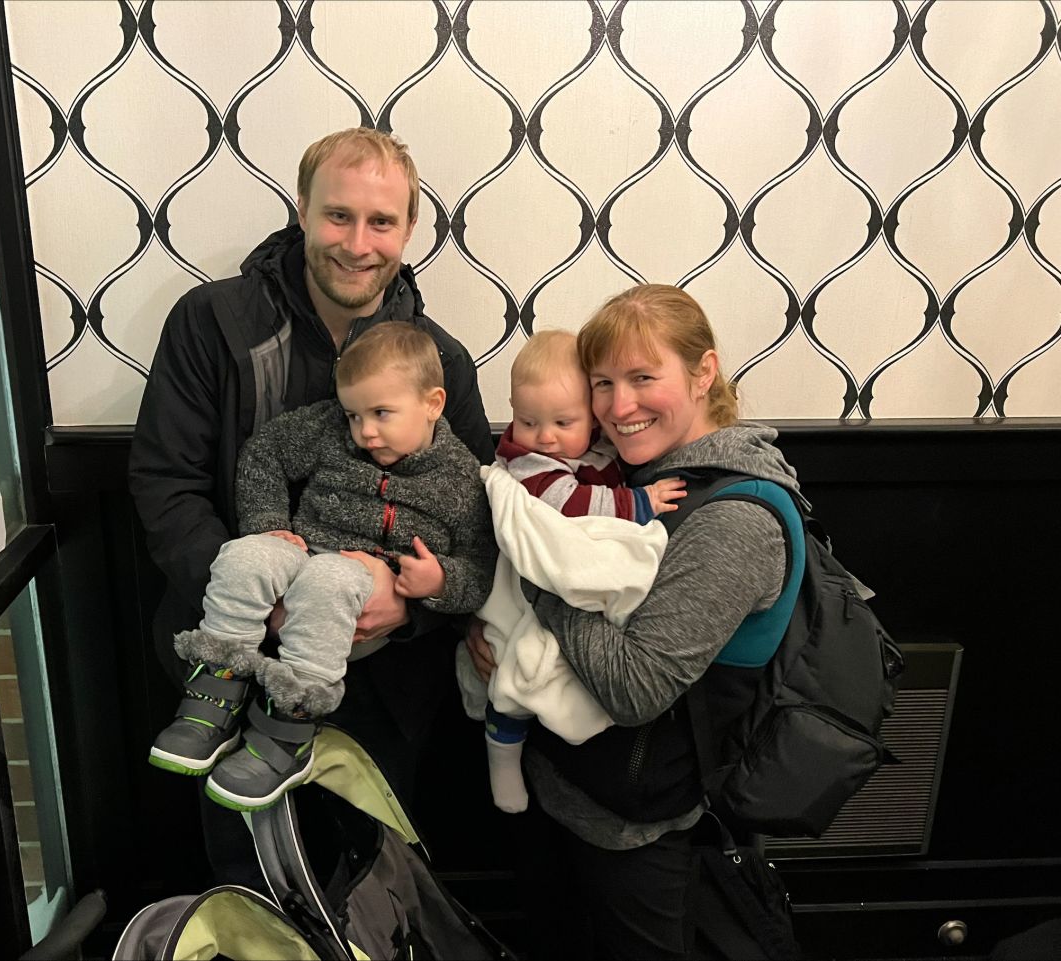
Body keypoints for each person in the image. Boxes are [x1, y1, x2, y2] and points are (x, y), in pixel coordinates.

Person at [130, 127, 495, 886]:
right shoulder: (211, 325)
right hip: (232, 672)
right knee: (248, 889)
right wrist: (267, 600)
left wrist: (408, 604)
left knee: (368, 889)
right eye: (338, 216)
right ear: (301, 210)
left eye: (381, 221)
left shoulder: (442, 362)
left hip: (384, 692)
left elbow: (478, 525)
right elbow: (166, 484)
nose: (358, 243)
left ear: (410, 227)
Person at [465, 284, 802, 960]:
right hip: (561, 785)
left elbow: (635, 688)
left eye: (644, 378)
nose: (620, 406)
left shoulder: (735, 520)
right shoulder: (625, 469)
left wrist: (537, 576)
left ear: (704, 372)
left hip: (640, 833)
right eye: (603, 383)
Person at [149, 322, 495, 811]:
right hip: (306, 554)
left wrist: (438, 582)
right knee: (245, 554)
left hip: (367, 604)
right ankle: (214, 689)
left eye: (381, 414)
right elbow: (265, 451)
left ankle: (290, 723)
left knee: (330, 578)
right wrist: (270, 523)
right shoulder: (332, 431)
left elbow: (481, 565)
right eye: (354, 415)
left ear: (433, 404)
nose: (364, 432)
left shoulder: (461, 477)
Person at [454, 329, 684, 814]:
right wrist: (639, 502)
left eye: (564, 421)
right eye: (528, 420)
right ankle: (502, 755)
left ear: (593, 416)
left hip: (575, 613)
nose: (545, 436)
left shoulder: (600, 450)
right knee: (512, 669)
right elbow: (573, 504)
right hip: (522, 587)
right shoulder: (527, 464)